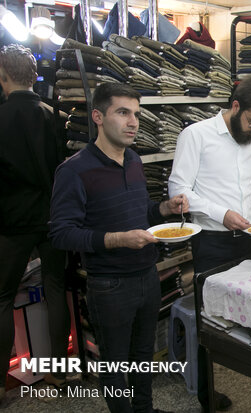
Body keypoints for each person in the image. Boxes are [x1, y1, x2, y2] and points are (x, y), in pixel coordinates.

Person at [49, 82, 187, 413]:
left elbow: (141, 213)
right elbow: (61, 234)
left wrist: (163, 210)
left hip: (147, 275)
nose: (133, 122)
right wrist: (117, 239)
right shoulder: (74, 171)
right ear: (97, 116)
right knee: (114, 363)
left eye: (137, 114)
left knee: (142, 356)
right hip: (109, 285)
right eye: (123, 113)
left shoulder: (134, 160)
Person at [168, 71, 251, 411]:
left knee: (246, 317)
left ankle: (246, 385)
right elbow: (179, 189)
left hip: (249, 243)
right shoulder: (197, 136)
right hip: (213, 242)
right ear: (235, 106)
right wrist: (222, 213)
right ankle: (208, 394)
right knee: (212, 322)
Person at [0, 44, 70, 400]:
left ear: (3, 76)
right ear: (33, 75)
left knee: (1, 297)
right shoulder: (52, 115)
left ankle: (0, 382)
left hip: (11, 220)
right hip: (51, 216)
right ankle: (60, 372)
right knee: (57, 289)